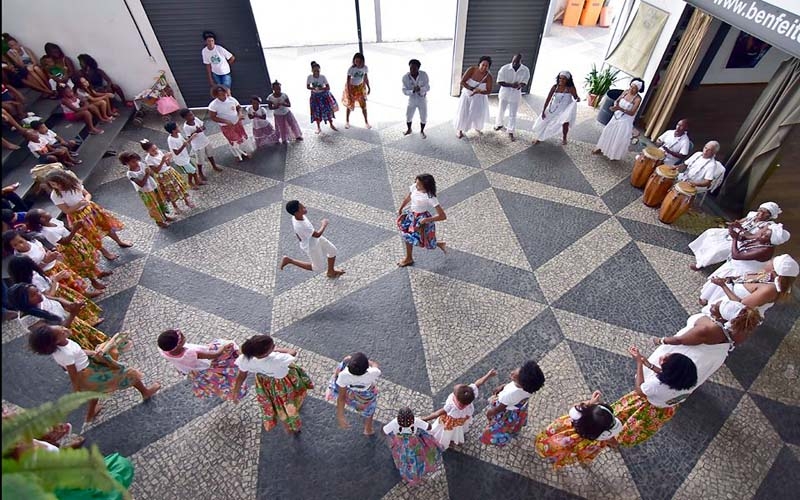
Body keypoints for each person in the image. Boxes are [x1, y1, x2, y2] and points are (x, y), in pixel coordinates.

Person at [28, 323, 160, 424]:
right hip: (88, 374)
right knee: (128, 373)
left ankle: (90, 415)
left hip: (88, 367)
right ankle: (145, 392)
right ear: (56, 341)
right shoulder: (65, 354)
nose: (63, 329)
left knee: (95, 392)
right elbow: (73, 373)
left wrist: (92, 353)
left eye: (59, 327)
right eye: (61, 332)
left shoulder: (62, 346)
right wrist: (77, 391)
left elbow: (78, 351)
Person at [612, 337, 723, 447]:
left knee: (623, 421)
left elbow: (640, 390)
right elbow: (667, 374)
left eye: (666, 359)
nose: (663, 356)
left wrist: (639, 364)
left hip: (645, 407)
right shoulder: (685, 381)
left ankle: (612, 441)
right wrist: (650, 365)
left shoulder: (656, 385)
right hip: (664, 410)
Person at [230, 334, 314, 434]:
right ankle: (293, 424)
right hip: (283, 383)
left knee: (277, 402)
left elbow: (241, 376)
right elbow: (292, 352)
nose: (274, 346)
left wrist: (235, 391)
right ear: (265, 353)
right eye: (272, 346)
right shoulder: (277, 359)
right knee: (288, 402)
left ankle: (287, 422)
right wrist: (277, 349)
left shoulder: (246, 358)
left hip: (264, 383)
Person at [45, 170, 130, 259]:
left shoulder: (74, 184)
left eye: (58, 183)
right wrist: (79, 204)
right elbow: (66, 211)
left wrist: (87, 200)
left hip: (91, 209)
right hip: (77, 215)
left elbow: (87, 194)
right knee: (91, 235)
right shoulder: (55, 196)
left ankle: (119, 241)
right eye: (53, 185)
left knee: (106, 226)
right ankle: (105, 252)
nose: (57, 187)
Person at [699, 223, 791, 304]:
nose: (761, 235)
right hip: (734, 265)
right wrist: (738, 229)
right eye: (763, 233)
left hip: (740, 270)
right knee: (716, 282)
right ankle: (706, 297)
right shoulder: (761, 240)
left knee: (723, 287)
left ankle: (713, 303)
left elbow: (736, 255)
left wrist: (734, 239)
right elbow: (746, 237)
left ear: (770, 241)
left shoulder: (765, 250)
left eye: (765, 235)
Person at [534, 390, 623, 469]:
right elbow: (612, 441)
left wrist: (590, 402)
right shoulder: (602, 434)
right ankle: (559, 458)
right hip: (580, 445)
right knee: (567, 452)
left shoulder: (578, 414)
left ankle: (549, 451)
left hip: (566, 434)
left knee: (556, 444)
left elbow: (575, 408)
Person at [7, 254, 103, 326]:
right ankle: (90, 321)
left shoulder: (29, 278)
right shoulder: (33, 280)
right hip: (56, 294)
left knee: (74, 307)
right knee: (73, 310)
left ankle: (90, 320)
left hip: (58, 292)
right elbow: (49, 295)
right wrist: (55, 281)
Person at [25, 208, 110, 290]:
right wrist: (75, 229)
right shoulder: (48, 232)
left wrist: (73, 229)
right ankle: (94, 281)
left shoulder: (53, 221)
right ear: (42, 219)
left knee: (89, 258)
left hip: (76, 241)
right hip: (70, 248)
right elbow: (64, 242)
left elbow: (64, 227)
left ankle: (98, 273)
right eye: (45, 213)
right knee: (84, 264)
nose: (48, 213)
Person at [7, 283, 106, 349]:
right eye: (33, 295)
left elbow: (56, 299)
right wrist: (73, 313)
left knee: (101, 344)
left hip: (72, 322)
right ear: (23, 302)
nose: (39, 294)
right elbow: (56, 333)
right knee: (91, 352)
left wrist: (69, 304)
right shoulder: (30, 319)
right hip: (66, 335)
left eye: (37, 291)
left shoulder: (39, 298)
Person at [157, 329, 247, 400]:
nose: (184, 337)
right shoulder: (190, 353)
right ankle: (235, 391)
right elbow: (214, 355)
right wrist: (223, 348)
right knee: (228, 356)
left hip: (192, 371)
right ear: (179, 344)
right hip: (205, 366)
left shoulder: (164, 351)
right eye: (182, 337)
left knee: (214, 383)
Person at [689, 202, 780, 271]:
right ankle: (699, 251)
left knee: (719, 249)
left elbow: (754, 237)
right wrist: (732, 224)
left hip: (744, 241)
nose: (760, 214)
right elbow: (740, 221)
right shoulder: (752, 214)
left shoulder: (767, 226)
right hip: (735, 232)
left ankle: (700, 264)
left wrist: (740, 231)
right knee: (711, 232)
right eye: (760, 210)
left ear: (770, 215)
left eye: (764, 213)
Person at [2, 229, 95, 297]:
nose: (20, 245)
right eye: (15, 245)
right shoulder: (20, 257)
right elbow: (31, 270)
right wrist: (45, 261)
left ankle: (85, 293)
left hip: (55, 264)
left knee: (73, 280)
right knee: (68, 287)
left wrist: (52, 253)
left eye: (21, 241)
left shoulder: (33, 242)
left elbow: (43, 249)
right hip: (48, 272)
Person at [701, 254, 798, 316]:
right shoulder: (766, 275)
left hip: (731, 311)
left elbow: (741, 306)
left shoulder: (768, 290)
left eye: (771, 261)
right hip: (726, 300)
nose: (769, 261)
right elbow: (745, 278)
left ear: (773, 271)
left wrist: (723, 286)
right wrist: (730, 279)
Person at [422, 369, 497, 448]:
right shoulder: (470, 393)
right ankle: (456, 440)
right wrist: (488, 375)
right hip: (461, 420)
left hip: (450, 422)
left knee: (448, 433)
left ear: (457, 399)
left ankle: (448, 441)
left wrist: (425, 419)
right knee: (457, 431)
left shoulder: (451, 406)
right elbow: (479, 383)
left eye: (454, 392)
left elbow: (437, 413)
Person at [480, 360, 545, 446]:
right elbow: (512, 385)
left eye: (514, 377)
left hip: (506, 410)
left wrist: (489, 414)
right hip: (517, 409)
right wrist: (503, 386)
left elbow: (498, 409)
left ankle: (500, 439)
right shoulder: (528, 388)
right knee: (514, 424)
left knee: (499, 428)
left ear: (522, 384)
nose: (512, 372)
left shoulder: (509, 395)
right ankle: (514, 430)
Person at [657, 298, 761, 350]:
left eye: (715, 307)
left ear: (721, 317)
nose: (712, 305)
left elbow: (679, 340)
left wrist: (661, 340)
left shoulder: (706, 328)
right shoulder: (742, 327)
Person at [280, 200, 344, 278]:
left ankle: (331, 271)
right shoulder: (302, 225)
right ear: (296, 212)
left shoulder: (296, 217)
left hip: (314, 239)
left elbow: (299, 233)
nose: (304, 207)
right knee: (317, 268)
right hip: (311, 245)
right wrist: (324, 224)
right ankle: (289, 260)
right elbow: (317, 234)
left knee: (332, 251)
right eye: (302, 207)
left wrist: (301, 239)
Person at [396, 174, 447, 267]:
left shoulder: (430, 197)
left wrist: (426, 220)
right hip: (411, 215)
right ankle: (408, 258)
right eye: (416, 182)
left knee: (421, 240)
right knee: (408, 236)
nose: (416, 185)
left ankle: (439, 244)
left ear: (425, 186)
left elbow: (442, 216)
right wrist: (401, 208)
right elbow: (408, 198)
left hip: (421, 219)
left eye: (419, 184)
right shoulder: (414, 187)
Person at [383, 407, 444, 486]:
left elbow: (384, 431)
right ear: (411, 418)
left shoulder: (394, 422)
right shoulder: (415, 420)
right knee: (417, 455)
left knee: (401, 454)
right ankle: (417, 468)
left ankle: (405, 466)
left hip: (400, 442)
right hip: (414, 442)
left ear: (398, 418)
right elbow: (429, 427)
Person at [325, 352, 381, 435]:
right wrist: (369, 362)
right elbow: (375, 365)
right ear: (366, 368)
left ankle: (331, 389)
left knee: (341, 367)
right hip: (364, 394)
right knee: (370, 407)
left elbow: (341, 397)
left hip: (348, 391)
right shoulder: (372, 373)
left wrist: (340, 416)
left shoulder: (343, 375)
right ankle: (368, 429)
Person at [592, 78, 644, 160]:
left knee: (618, 136)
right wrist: (615, 105)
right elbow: (617, 100)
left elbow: (632, 112)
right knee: (608, 131)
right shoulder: (626, 92)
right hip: (617, 115)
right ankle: (601, 147)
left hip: (626, 119)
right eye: (631, 86)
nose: (631, 89)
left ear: (638, 90)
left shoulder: (638, 99)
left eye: (634, 88)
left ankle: (613, 154)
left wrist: (620, 108)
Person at [119, 151, 173, 227]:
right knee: (153, 206)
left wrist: (150, 173)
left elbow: (152, 174)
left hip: (153, 186)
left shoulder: (141, 164)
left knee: (160, 201)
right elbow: (141, 184)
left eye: (136, 161)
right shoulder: (130, 174)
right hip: (146, 192)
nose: (136, 163)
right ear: (126, 163)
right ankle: (159, 221)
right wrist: (147, 174)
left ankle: (164, 216)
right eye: (133, 162)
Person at [141, 140, 195, 214]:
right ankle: (175, 207)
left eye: (155, 148)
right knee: (169, 191)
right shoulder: (148, 159)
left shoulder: (159, 152)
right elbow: (156, 170)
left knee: (179, 185)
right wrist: (163, 161)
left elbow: (167, 164)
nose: (155, 151)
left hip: (169, 171)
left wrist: (168, 159)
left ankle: (186, 201)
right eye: (153, 150)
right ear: (147, 151)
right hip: (162, 176)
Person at [531, 71, 580, 145]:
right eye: (560, 78)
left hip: (565, 110)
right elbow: (548, 99)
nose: (561, 80)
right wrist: (544, 110)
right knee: (545, 122)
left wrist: (578, 99)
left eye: (564, 79)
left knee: (565, 123)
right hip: (553, 108)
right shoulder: (555, 87)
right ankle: (539, 138)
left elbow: (576, 97)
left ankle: (564, 137)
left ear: (567, 80)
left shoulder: (570, 88)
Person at [454, 56, 493, 138]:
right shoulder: (472, 69)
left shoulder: (489, 77)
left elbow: (489, 91)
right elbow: (462, 82)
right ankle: (459, 130)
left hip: (479, 97)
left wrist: (479, 91)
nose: (484, 67)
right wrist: (472, 89)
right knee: (463, 112)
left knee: (478, 113)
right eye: (483, 65)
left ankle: (477, 127)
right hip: (467, 95)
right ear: (479, 64)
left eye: (486, 66)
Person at [494, 54, 530, 142]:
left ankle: (510, 130)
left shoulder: (525, 70)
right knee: (501, 110)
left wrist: (520, 85)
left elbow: (525, 81)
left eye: (516, 62)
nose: (514, 63)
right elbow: (499, 81)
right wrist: (511, 85)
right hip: (505, 93)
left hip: (515, 95)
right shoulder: (504, 68)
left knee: (513, 114)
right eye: (513, 61)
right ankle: (499, 124)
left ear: (520, 61)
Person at [207, 85, 248, 162]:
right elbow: (213, 117)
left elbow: (239, 107)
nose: (223, 97)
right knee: (233, 141)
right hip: (226, 126)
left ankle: (243, 152)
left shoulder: (231, 99)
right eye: (220, 95)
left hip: (237, 123)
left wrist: (240, 114)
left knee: (240, 138)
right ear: (215, 95)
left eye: (224, 94)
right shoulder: (213, 105)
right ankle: (237, 155)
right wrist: (225, 121)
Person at [180, 108, 221, 175]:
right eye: (190, 115)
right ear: (185, 118)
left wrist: (201, 129)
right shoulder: (186, 127)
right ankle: (200, 173)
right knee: (200, 160)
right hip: (198, 145)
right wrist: (196, 131)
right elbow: (189, 138)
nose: (192, 116)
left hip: (205, 140)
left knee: (210, 154)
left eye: (192, 114)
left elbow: (203, 126)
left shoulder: (196, 119)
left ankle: (214, 166)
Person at [165, 122, 203, 189]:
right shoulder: (171, 140)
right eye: (177, 127)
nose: (179, 127)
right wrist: (184, 145)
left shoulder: (179, 135)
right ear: (173, 130)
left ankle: (196, 181)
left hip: (185, 156)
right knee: (192, 170)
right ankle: (191, 182)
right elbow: (176, 152)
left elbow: (185, 142)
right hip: (181, 160)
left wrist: (191, 138)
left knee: (191, 170)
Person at [307, 61, 338, 134]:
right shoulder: (309, 77)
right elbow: (307, 86)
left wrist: (321, 88)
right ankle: (318, 127)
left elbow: (328, 87)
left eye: (318, 71)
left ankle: (331, 124)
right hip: (315, 97)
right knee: (316, 112)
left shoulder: (323, 77)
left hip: (323, 96)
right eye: (315, 71)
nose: (317, 72)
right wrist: (313, 88)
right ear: (312, 71)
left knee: (328, 110)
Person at [342, 52, 371, 129]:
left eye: (359, 61)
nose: (357, 63)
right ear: (354, 61)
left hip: (361, 87)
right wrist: (349, 91)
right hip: (352, 87)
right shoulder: (351, 69)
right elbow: (348, 81)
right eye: (356, 61)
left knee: (363, 105)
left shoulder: (365, 68)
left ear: (362, 61)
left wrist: (368, 87)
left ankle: (366, 122)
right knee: (350, 104)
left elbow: (365, 78)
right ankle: (347, 121)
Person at [402, 59, 430, 138]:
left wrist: (421, 89)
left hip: (422, 99)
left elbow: (428, 87)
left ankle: (422, 131)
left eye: (414, 68)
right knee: (408, 115)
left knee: (423, 116)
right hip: (412, 100)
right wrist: (412, 91)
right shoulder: (405, 77)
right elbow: (404, 91)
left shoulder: (424, 75)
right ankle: (409, 129)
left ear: (418, 68)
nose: (412, 70)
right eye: (410, 68)